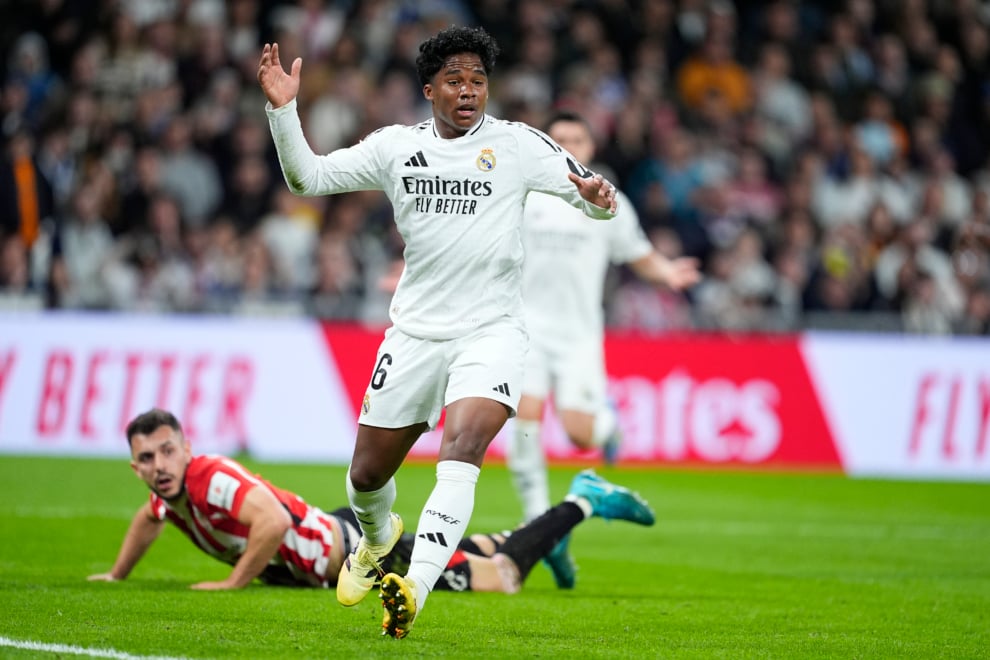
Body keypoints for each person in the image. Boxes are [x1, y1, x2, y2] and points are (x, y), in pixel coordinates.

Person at [256, 26, 619, 638]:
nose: (469, 90)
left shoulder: (518, 144)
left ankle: (415, 587)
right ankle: (377, 539)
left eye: (478, 80)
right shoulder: (395, 147)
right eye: (455, 80)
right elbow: (307, 180)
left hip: (492, 332)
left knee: (463, 448)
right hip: (416, 336)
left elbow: (592, 196)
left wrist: (593, 197)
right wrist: (283, 111)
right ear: (429, 90)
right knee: (366, 477)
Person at [88, 409, 656, 603]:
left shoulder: (207, 478)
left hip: (358, 556)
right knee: (475, 550)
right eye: (147, 458)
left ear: (186, 448)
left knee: (501, 578)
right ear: (135, 468)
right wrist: (118, 573)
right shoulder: (170, 494)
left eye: (168, 451)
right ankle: (550, 536)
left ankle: (581, 502)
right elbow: (149, 518)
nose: (160, 465)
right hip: (340, 538)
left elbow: (273, 521)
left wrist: (234, 583)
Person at [509, 112, 701, 587]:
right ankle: (542, 529)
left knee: (579, 434)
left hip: (578, 336)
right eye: (560, 139)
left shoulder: (607, 197)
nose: (569, 146)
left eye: (577, 139)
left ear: (591, 147)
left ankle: (608, 427)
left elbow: (637, 252)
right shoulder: (525, 193)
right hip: (525, 328)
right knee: (524, 422)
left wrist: (668, 272)